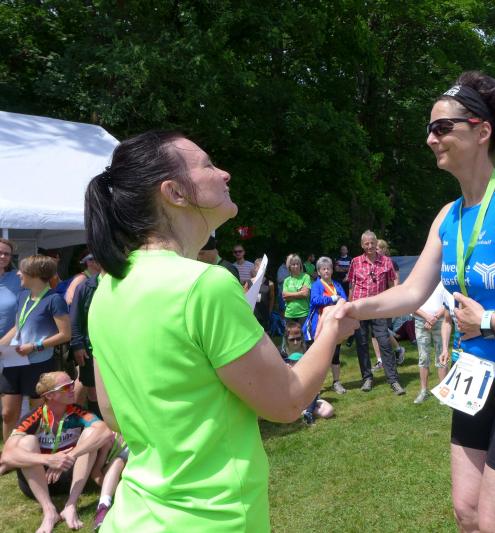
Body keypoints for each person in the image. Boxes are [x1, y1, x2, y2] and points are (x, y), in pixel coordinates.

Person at [334, 72, 495, 531]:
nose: (430, 139)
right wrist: (354, 307)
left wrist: (489, 321)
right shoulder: (448, 216)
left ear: (481, 131)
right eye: (428, 130)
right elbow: (413, 291)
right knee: (467, 514)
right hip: (476, 380)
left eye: (442, 127)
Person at [82, 131, 358, 531]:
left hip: (132, 517)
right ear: (175, 192)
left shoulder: (107, 289)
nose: (224, 174)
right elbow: (287, 402)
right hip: (213, 519)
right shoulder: (204, 285)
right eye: (208, 165)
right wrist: (330, 329)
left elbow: (111, 414)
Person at [0, 371, 115, 533]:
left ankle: (70, 506)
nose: (73, 389)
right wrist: (48, 460)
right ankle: (49, 511)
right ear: (50, 395)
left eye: (72, 384)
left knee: (91, 434)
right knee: (27, 442)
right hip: (38, 480)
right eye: (66, 387)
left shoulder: (77, 412)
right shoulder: (34, 416)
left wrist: (69, 455)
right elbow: (7, 455)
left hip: (70, 475)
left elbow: (105, 432)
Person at [0, 255, 71, 441]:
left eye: (21, 270)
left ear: (34, 274)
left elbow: (65, 334)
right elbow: (18, 326)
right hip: (14, 359)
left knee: (37, 412)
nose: (17, 273)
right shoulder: (23, 295)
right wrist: (1, 345)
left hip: (39, 363)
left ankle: (38, 447)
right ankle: (9, 451)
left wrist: (35, 346)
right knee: (7, 413)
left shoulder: (54, 299)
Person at [346, 230, 404, 395]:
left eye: (372, 242)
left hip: (379, 308)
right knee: (362, 344)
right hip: (359, 309)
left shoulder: (386, 261)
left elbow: (392, 284)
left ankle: (393, 380)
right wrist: (350, 307)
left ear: (376, 242)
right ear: (362, 245)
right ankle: (367, 378)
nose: (370, 246)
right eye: (367, 243)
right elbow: (351, 286)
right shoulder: (355, 262)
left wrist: (391, 303)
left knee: (384, 342)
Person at [303, 257, 348, 394]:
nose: (326, 271)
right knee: (318, 357)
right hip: (318, 325)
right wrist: (332, 298)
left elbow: (345, 299)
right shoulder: (316, 285)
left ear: (332, 270)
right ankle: (315, 386)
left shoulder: (337, 285)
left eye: (329, 268)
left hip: (334, 324)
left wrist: (340, 300)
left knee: (335, 354)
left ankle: (336, 382)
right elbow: (315, 300)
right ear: (319, 272)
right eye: (323, 269)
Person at [281, 324, 335, 425]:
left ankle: (305, 410)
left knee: (329, 411)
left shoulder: (308, 351)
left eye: (298, 339)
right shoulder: (281, 355)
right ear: (286, 339)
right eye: (292, 339)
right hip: (290, 395)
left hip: (308, 394)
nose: (296, 342)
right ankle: (307, 412)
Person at [69, 267, 103, 417]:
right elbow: (74, 318)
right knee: (93, 390)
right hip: (90, 348)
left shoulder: (123, 281)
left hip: (115, 347)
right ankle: (98, 423)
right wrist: (77, 344)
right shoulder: (85, 286)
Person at [412, 282, 452, 404]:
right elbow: (412, 304)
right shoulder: (418, 281)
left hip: (441, 321)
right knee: (423, 357)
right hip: (421, 321)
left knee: (442, 355)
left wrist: (434, 317)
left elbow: (448, 303)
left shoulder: (444, 281)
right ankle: (424, 391)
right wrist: (427, 317)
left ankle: (443, 392)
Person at [371, 238, 406, 369]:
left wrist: (392, 298)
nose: (375, 251)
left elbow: (396, 282)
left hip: (387, 300)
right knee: (373, 331)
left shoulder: (391, 263)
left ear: (384, 249)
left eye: (377, 248)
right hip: (375, 300)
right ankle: (380, 360)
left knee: (383, 329)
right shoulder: (374, 263)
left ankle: (398, 349)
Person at [0, 238, 22, 337]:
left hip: (9, 341)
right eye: (0, 252)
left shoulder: (19, 277)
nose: (3, 256)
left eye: (7, 254)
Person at [283, 253, 312, 326]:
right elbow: (284, 296)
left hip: (303, 313)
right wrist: (300, 293)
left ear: (300, 265)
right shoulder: (286, 280)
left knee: (304, 334)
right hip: (289, 314)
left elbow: (305, 294)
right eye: (293, 264)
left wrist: (290, 295)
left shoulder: (306, 277)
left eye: (297, 264)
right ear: (289, 266)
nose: (296, 266)